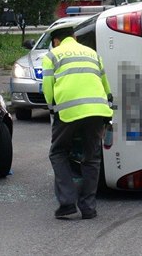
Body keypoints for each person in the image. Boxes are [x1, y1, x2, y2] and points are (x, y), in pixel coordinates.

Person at [42, 23, 113, 220]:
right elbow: (106, 87)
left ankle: (67, 202)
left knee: (58, 152)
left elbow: (48, 89)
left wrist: (51, 107)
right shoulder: (93, 54)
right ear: (74, 37)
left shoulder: (53, 56)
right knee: (92, 158)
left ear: (56, 41)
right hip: (98, 110)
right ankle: (89, 208)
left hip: (69, 112)